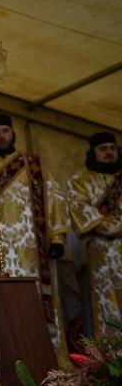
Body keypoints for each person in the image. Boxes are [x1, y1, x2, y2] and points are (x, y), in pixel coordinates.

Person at [0, 113, 70, 363]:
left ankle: (44, 359)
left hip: (31, 251)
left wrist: (56, 238)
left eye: (5, 131)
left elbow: (54, 197)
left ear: (14, 133)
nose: (2, 136)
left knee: (34, 302)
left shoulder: (33, 164)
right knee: (0, 306)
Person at [67, 131, 122, 340]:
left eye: (112, 148)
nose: (108, 152)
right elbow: (81, 212)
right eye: (103, 149)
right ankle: (112, 365)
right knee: (106, 307)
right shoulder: (79, 180)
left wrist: (107, 223)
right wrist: (114, 225)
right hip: (101, 254)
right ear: (93, 153)